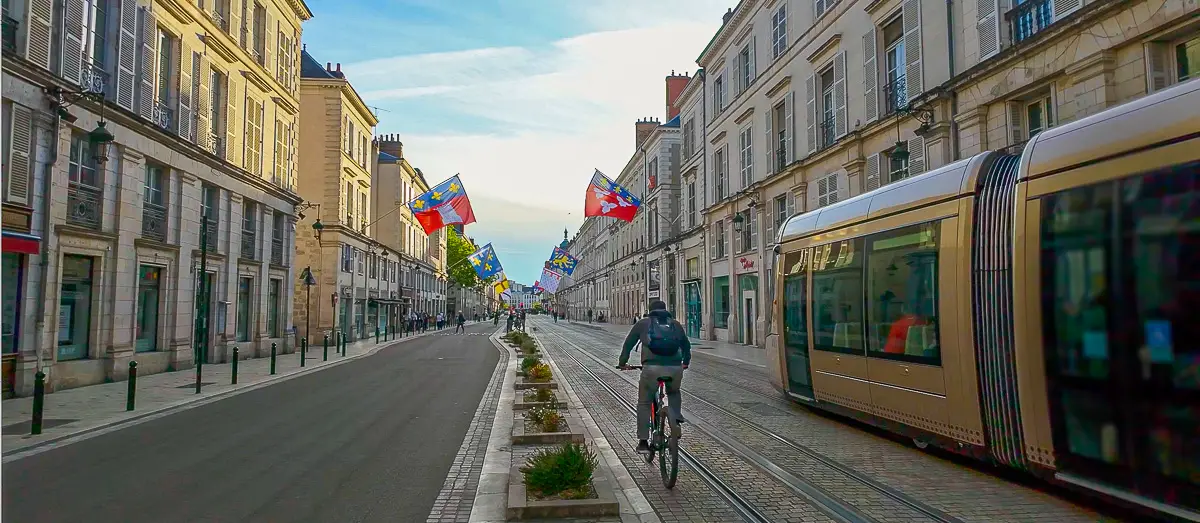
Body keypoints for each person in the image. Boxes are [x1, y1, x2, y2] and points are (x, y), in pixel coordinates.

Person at [617, 300, 690, 453]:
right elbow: (686, 345)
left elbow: (628, 344)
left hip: (651, 368)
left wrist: (623, 363)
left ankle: (643, 442)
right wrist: (685, 362)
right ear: (666, 310)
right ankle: (675, 421)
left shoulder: (643, 323)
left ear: (650, 310)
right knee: (674, 392)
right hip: (675, 368)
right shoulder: (675, 324)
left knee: (644, 402)